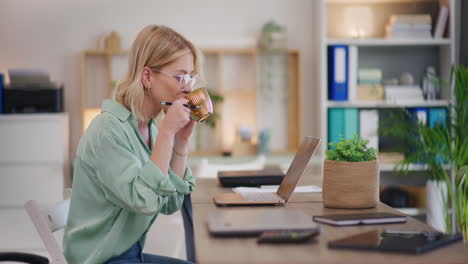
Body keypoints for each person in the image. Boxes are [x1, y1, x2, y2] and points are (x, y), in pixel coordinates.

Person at [63, 25, 200, 264]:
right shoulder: (108, 131)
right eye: (179, 77)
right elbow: (144, 201)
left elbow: (170, 203)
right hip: (101, 259)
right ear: (147, 76)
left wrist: (181, 140)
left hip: (128, 252)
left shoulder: (150, 128)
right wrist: (168, 132)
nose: (187, 88)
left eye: (190, 77)